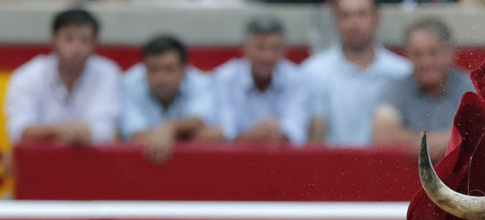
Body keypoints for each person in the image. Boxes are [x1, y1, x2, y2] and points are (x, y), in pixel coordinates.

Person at [4, 7, 120, 148]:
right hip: (41, 156)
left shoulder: (107, 73)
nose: (76, 48)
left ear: (95, 44)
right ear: (54, 41)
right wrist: (60, 130)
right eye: (68, 39)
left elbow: (107, 130)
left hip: (91, 156)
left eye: (84, 40)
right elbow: (18, 131)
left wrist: (77, 134)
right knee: (11, 158)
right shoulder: (27, 76)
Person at [302, 0, 411, 147]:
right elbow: (313, 140)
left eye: (361, 14)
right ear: (335, 20)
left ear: (377, 17)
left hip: (385, 166)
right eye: (345, 15)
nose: (353, 23)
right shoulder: (312, 72)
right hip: (331, 166)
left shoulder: (403, 71)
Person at [371, 19, 473, 162]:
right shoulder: (395, 88)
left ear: (449, 54)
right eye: (417, 54)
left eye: (433, 53)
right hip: (408, 180)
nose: (426, 62)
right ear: (408, 56)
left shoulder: (470, 86)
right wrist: (435, 142)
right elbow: (383, 136)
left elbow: (484, 132)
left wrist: (441, 141)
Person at [120, 36, 223, 164]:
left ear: (185, 68)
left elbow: (200, 122)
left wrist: (168, 128)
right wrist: (183, 133)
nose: (161, 78)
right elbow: (135, 135)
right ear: (144, 67)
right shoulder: (130, 83)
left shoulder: (201, 82)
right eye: (153, 69)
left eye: (169, 69)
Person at [213, 17, 310, 146]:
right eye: (260, 48)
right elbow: (223, 130)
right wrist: (251, 136)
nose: (267, 56)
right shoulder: (225, 77)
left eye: (275, 48)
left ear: (285, 49)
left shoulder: (297, 78)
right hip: (235, 159)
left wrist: (276, 134)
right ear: (244, 48)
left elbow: (297, 132)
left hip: (283, 160)